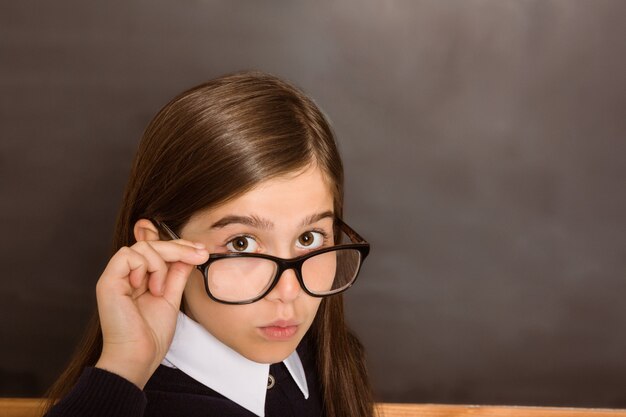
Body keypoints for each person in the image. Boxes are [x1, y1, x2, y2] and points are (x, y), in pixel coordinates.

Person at [43, 71, 374, 417]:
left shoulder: (327, 361)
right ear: (157, 245)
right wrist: (125, 366)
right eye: (242, 243)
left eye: (308, 238)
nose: (289, 291)